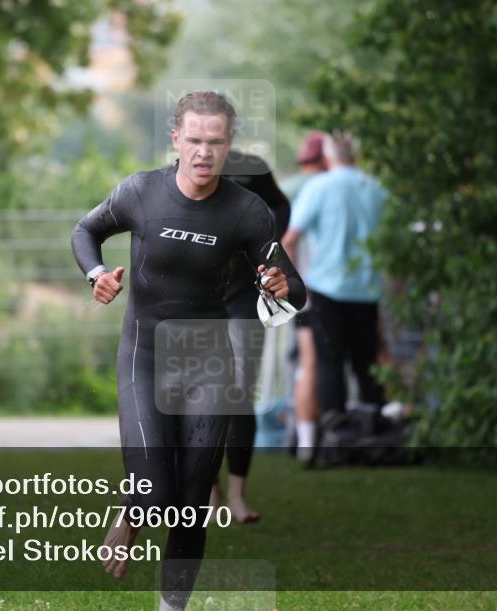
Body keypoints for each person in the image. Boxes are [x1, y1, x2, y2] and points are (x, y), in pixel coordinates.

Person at [71, 91, 306, 611]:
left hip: (207, 359)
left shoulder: (248, 212)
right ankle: (135, 509)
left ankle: (170, 607)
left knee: (193, 498)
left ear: (228, 146)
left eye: (215, 142)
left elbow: (294, 285)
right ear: (176, 139)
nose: (204, 152)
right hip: (146, 356)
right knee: (155, 494)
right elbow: (87, 229)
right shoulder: (140, 193)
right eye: (194, 140)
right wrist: (96, 276)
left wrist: (284, 287)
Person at [282, 131, 389, 426]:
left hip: (326, 289)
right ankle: (375, 428)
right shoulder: (376, 189)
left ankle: (335, 428)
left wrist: (297, 282)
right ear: (357, 155)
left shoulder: (320, 187)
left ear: (329, 156)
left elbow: (289, 239)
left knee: (329, 363)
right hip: (367, 290)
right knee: (366, 364)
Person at [208, 150, 291, 523]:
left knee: (239, 393)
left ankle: (238, 498)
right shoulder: (183, 170)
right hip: (200, 300)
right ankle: (209, 496)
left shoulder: (252, 168)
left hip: (246, 298)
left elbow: (281, 205)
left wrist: (268, 247)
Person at [279, 132, 328, 461]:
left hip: (286, 287)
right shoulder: (322, 187)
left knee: (299, 361)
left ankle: (297, 433)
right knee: (313, 362)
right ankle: (308, 443)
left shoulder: (286, 188)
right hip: (315, 287)